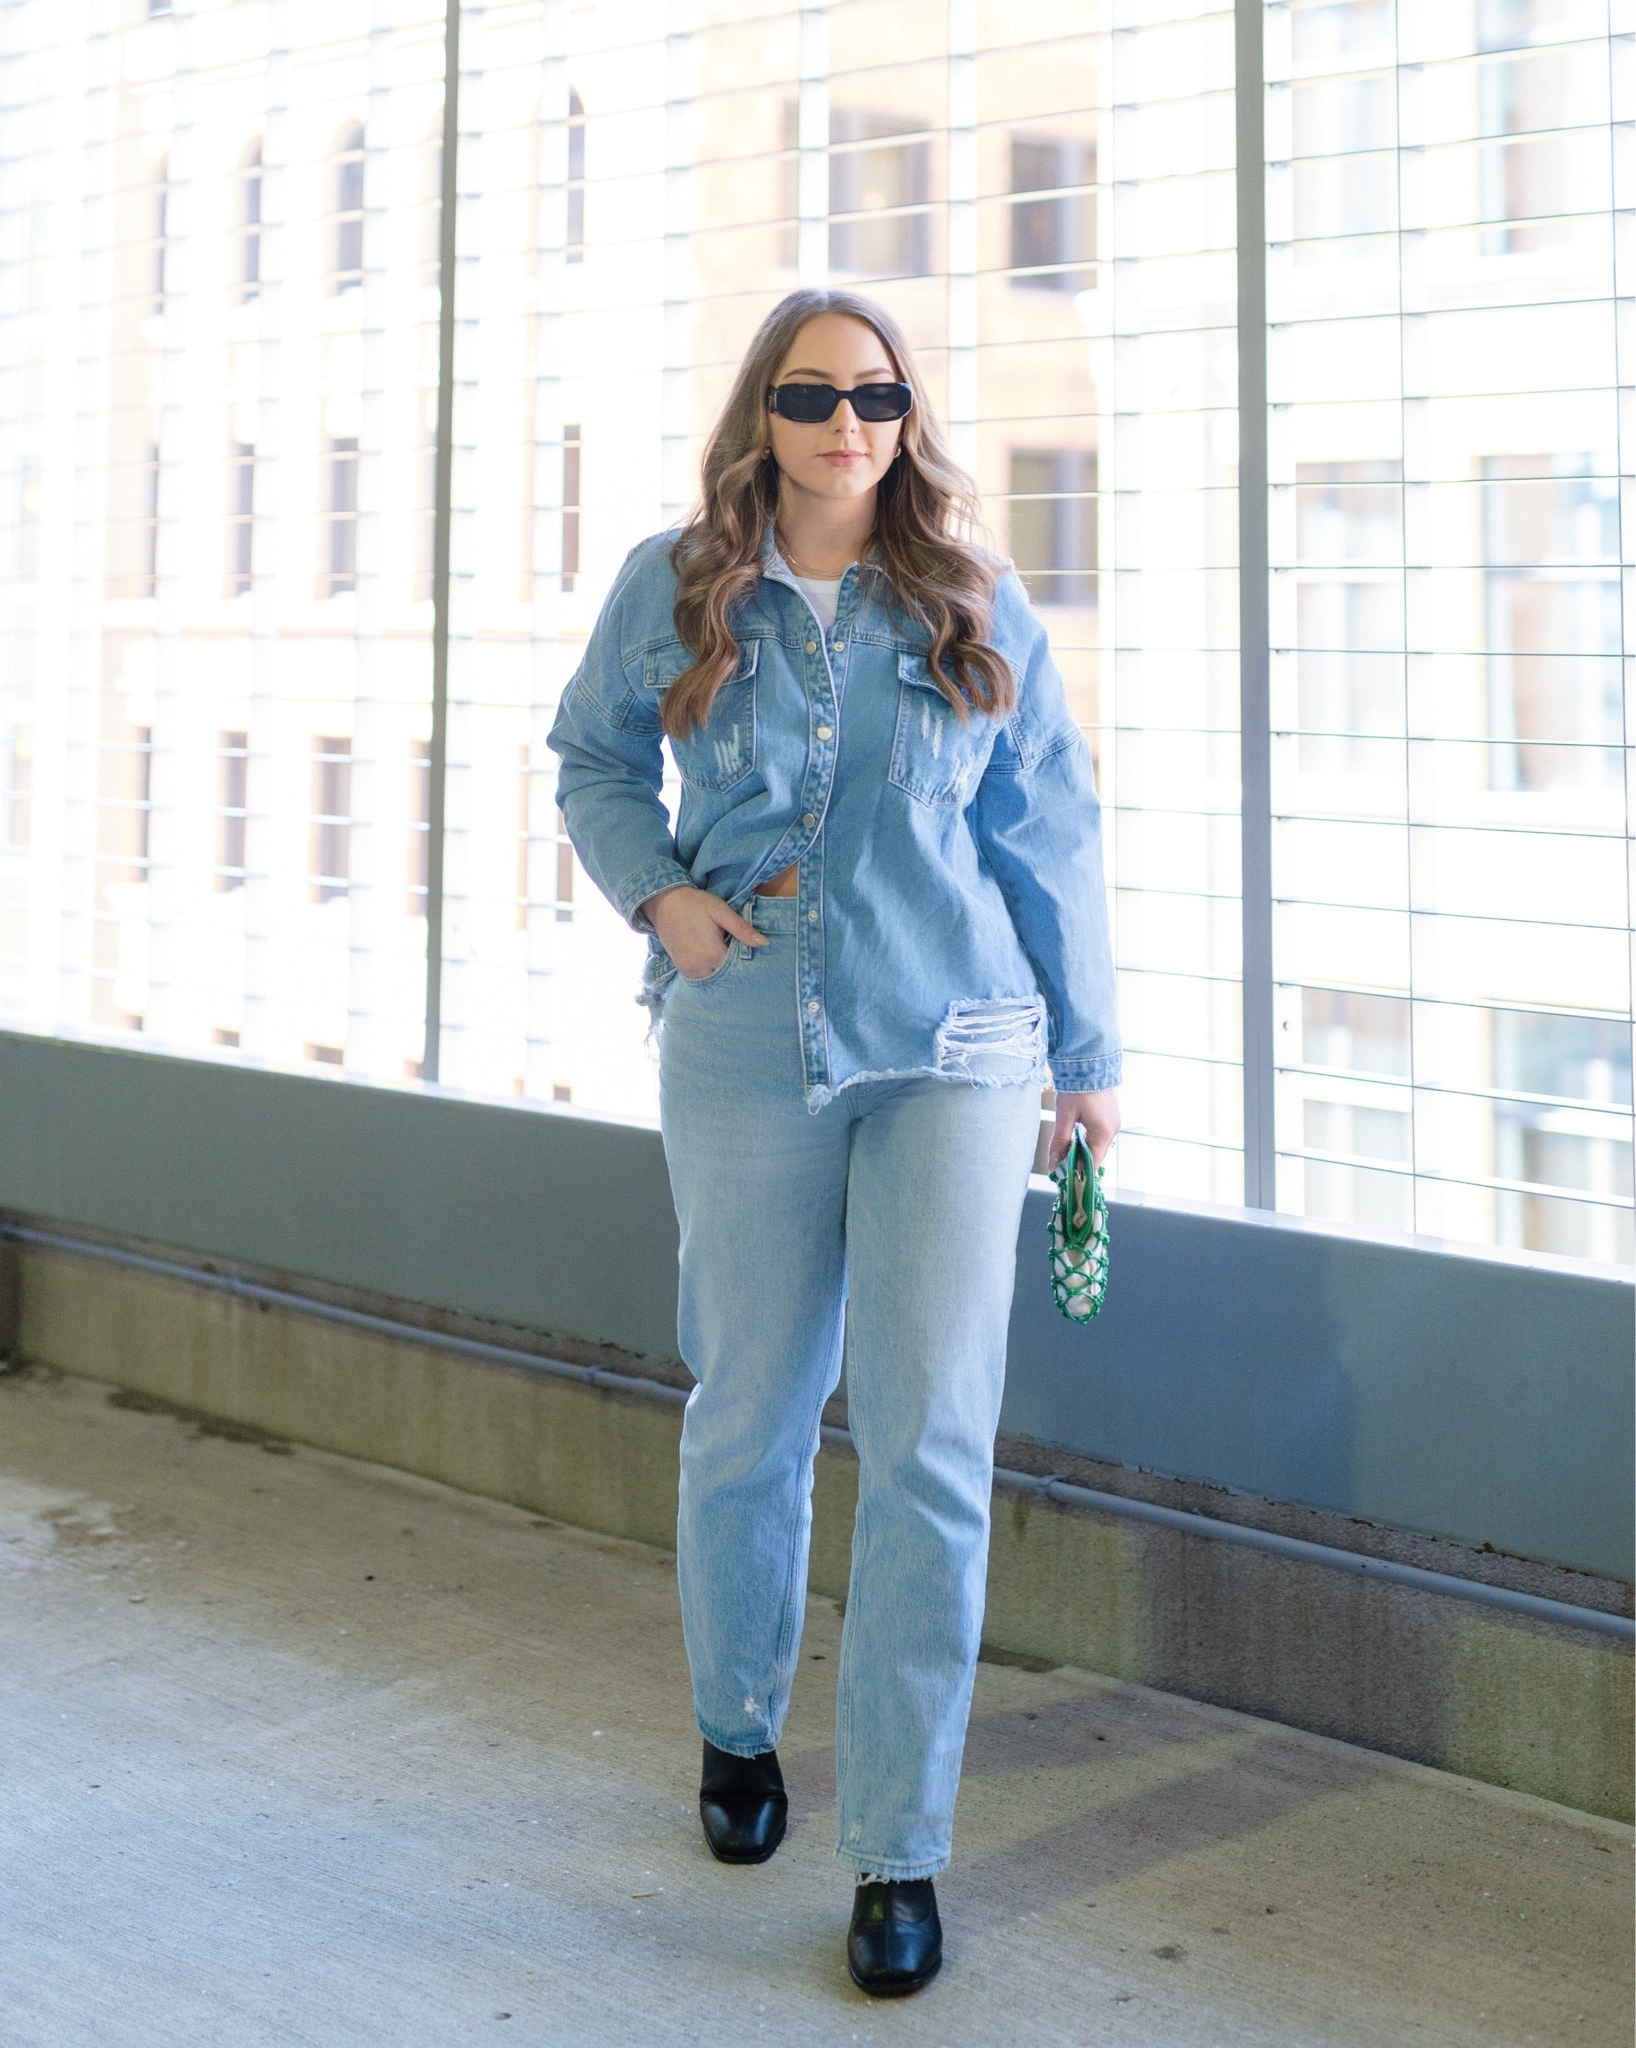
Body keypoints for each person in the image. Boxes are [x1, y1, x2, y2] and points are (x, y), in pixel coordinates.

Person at [548, 287, 1120, 1996]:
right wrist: (665, 900)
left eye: (875, 395)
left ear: (903, 414)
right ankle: (737, 1731)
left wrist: (1083, 1059)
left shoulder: (968, 592)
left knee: (934, 1443)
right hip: (739, 1044)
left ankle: (898, 1851)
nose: (846, 423)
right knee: (751, 1409)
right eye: (812, 395)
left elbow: (1049, 825)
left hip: (958, 1046)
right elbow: (590, 762)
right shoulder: (677, 582)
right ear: (764, 414)